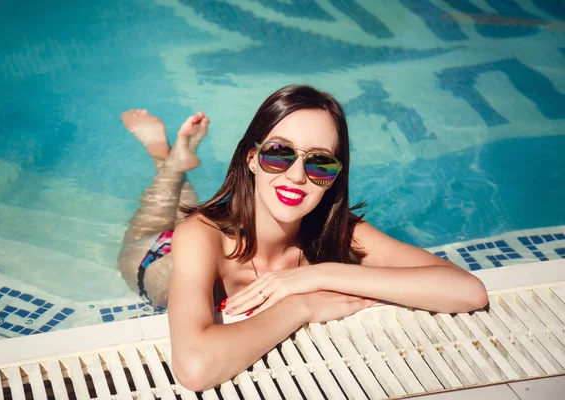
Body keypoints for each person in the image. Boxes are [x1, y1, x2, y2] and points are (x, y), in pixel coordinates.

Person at [118, 85, 488, 392]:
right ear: (251, 158)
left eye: (320, 162)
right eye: (280, 153)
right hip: (159, 258)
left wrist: (316, 276)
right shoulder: (200, 236)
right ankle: (165, 157)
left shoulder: (340, 231)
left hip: (216, 231)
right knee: (163, 218)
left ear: (334, 176)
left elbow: (467, 291)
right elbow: (195, 368)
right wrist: (301, 307)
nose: (297, 175)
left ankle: (176, 162)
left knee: (190, 206)